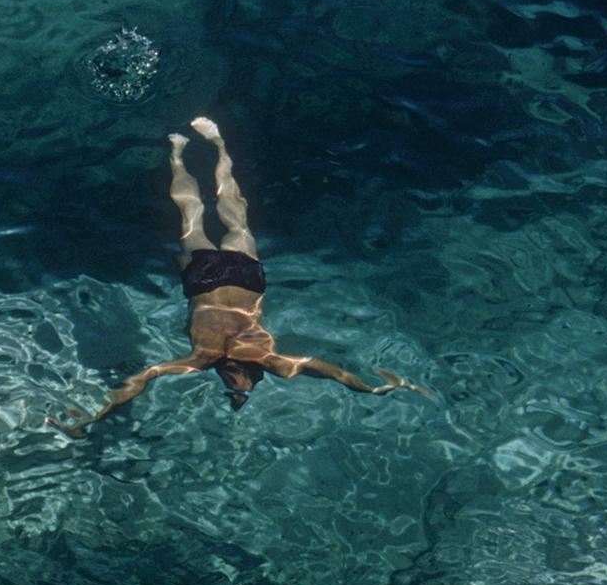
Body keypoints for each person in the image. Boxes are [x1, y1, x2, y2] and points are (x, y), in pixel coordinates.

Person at [49, 117, 430, 435]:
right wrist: (379, 387)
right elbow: (332, 372)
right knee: (233, 210)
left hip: (205, 281)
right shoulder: (271, 360)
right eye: (242, 390)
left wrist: (94, 415)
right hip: (246, 280)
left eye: (233, 390)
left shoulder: (203, 359)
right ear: (252, 381)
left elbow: (142, 380)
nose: (238, 387)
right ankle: (217, 144)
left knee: (191, 213)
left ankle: (178, 154)